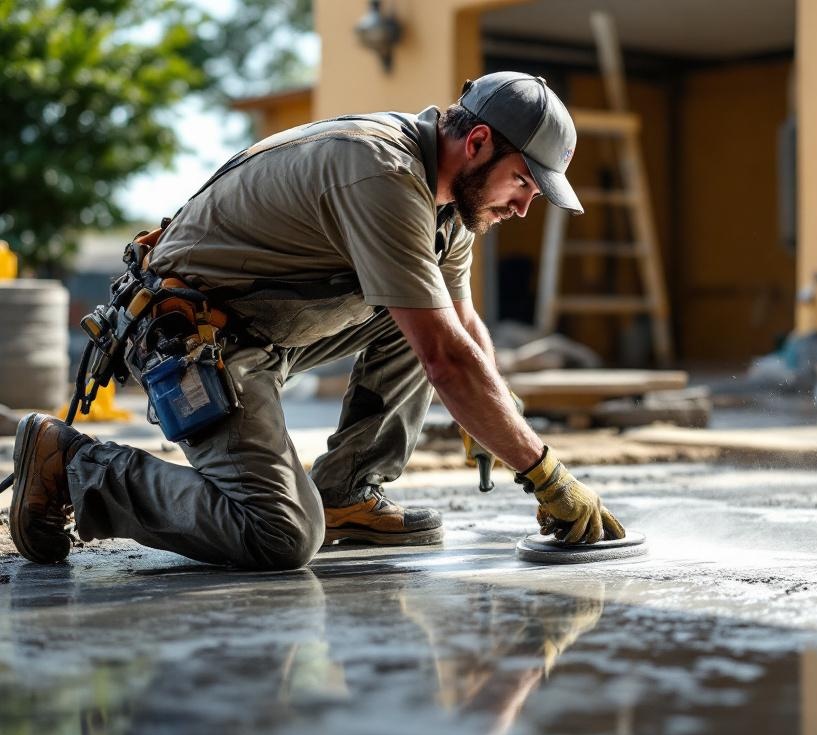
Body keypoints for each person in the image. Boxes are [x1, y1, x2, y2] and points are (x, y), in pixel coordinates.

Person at [8, 71, 626, 570]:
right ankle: (75, 466)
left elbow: (459, 328)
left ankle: (346, 493)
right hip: (192, 339)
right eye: (522, 182)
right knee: (278, 537)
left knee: (424, 321)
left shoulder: (452, 207)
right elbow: (446, 359)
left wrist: (496, 413)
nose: (522, 206)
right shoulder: (383, 176)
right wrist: (545, 473)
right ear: (479, 142)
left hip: (260, 328)